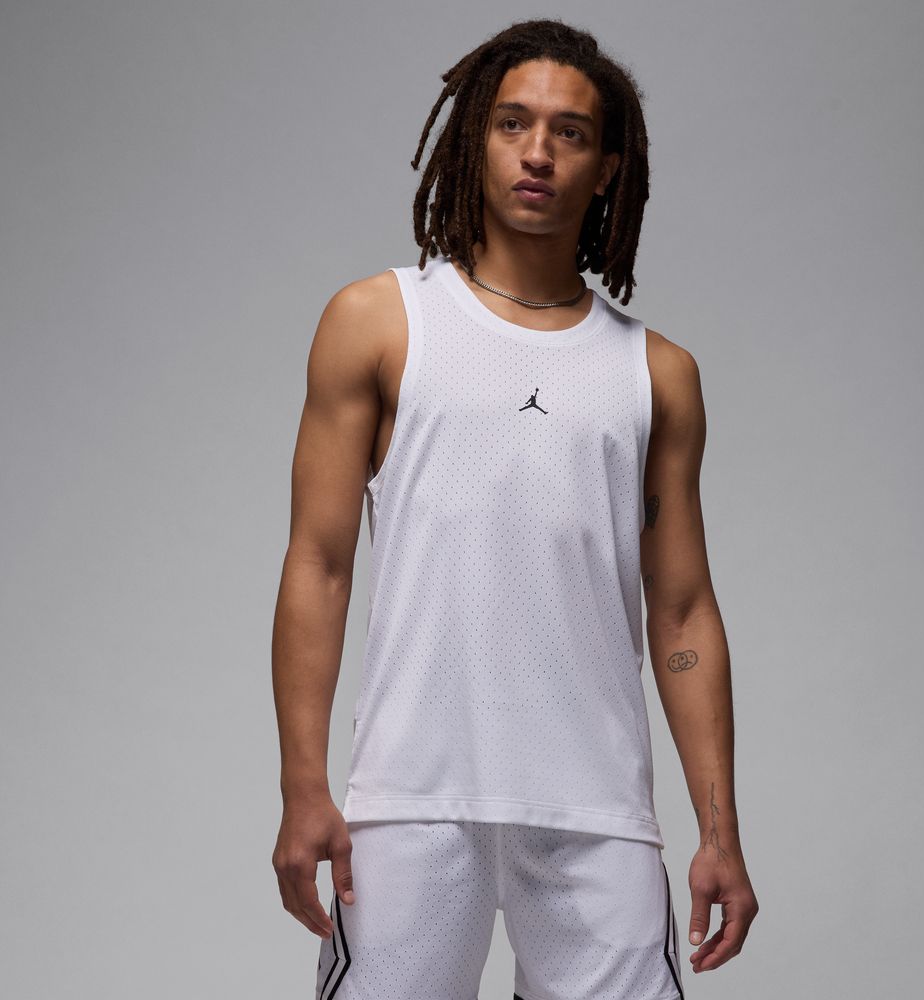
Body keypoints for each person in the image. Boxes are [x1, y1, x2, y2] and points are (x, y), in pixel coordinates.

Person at [271, 18, 758, 1000]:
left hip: (595, 810)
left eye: (569, 133)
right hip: (411, 801)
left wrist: (719, 830)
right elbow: (319, 566)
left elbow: (681, 612)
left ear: (607, 169)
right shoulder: (381, 322)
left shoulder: (656, 373)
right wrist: (303, 785)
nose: (538, 151)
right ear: (475, 140)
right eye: (512, 124)